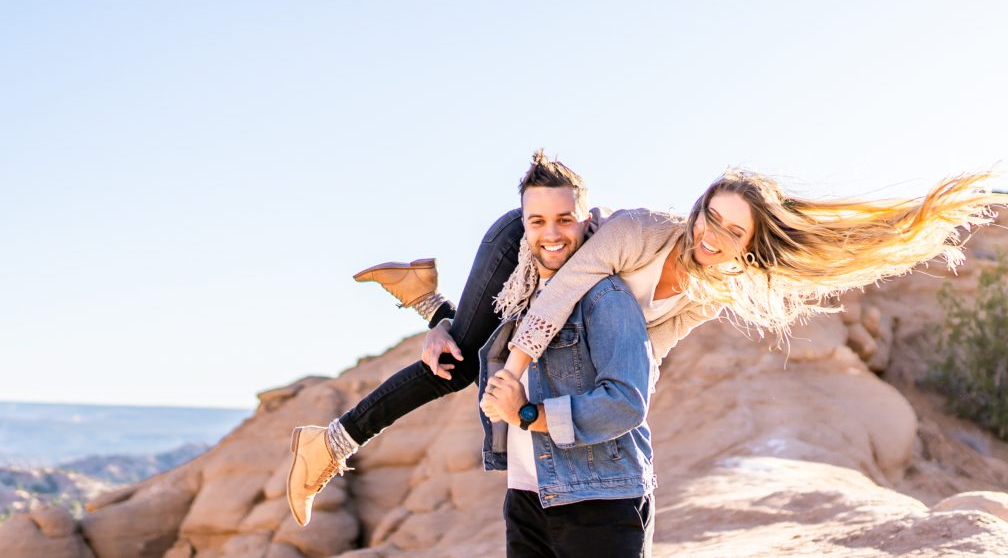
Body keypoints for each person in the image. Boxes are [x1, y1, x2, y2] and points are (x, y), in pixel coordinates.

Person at [287, 151, 1003, 527]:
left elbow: (646, 352)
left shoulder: (710, 290)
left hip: (550, 285)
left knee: (475, 355)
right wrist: (519, 368)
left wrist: (613, 401)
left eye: (731, 231)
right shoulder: (638, 230)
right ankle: (331, 441)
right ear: (694, 209)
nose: (710, 234)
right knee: (463, 366)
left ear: (748, 245)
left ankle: (425, 294)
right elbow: (566, 290)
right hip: (531, 251)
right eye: (709, 216)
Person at [477, 163, 656, 557]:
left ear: (585, 221)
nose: (552, 234)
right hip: (527, 495)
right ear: (524, 226)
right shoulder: (519, 297)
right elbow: (467, 333)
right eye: (538, 221)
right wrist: (440, 323)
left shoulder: (605, 296)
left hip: (600, 498)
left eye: (564, 219)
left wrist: (526, 414)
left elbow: (626, 403)